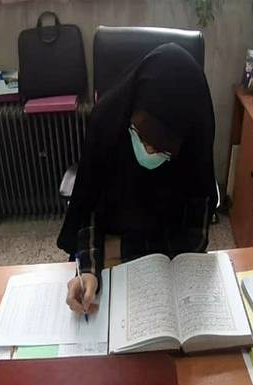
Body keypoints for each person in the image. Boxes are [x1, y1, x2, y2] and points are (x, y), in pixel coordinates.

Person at [57, 43, 217, 315]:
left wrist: (122, 247)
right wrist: (88, 271)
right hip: (117, 244)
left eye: (163, 149)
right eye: (142, 137)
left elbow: (195, 233)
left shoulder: (195, 139)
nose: (150, 151)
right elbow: (88, 204)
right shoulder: (109, 120)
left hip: (165, 259)